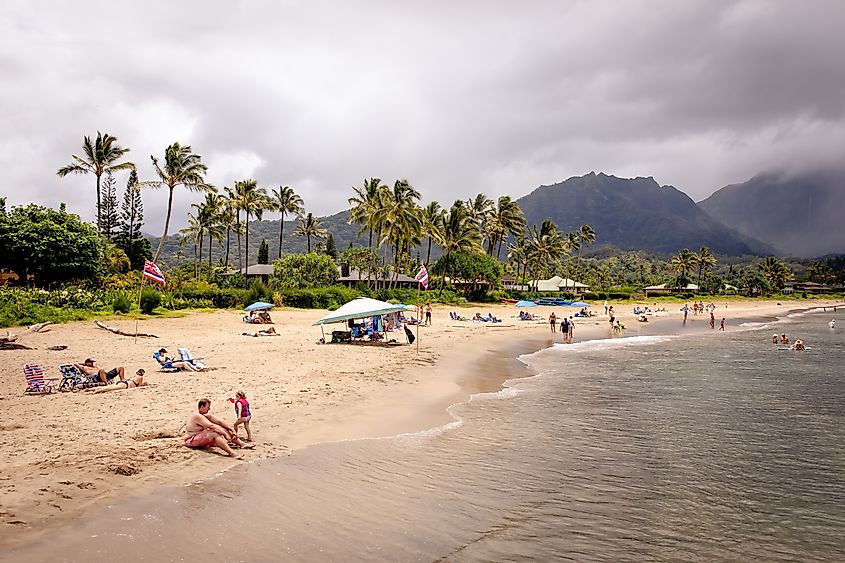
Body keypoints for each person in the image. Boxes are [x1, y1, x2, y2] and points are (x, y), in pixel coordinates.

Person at [184, 398, 254, 459]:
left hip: (200, 437)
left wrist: (232, 430)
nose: (209, 409)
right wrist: (225, 435)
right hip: (191, 440)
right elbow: (212, 426)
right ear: (202, 407)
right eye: (208, 407)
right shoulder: (197, 416)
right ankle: (232, 453)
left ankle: (241, 444)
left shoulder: (205, 415)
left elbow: (219, 422)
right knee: (214, 434)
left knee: (223, 429)